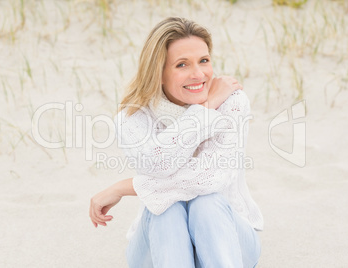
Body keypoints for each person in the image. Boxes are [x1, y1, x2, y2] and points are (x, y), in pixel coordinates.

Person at [89, 17, 264, 268]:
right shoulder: (133, 118)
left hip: (229, 242)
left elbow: (210, 177)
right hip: (159, 246)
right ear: (158, 72)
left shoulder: (231, 102)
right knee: (164, 209)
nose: (198, 74)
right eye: (182, 65)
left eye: (204, 60)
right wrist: (205, 108)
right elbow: (158, 162)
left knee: (208, 202)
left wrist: (122, 187)